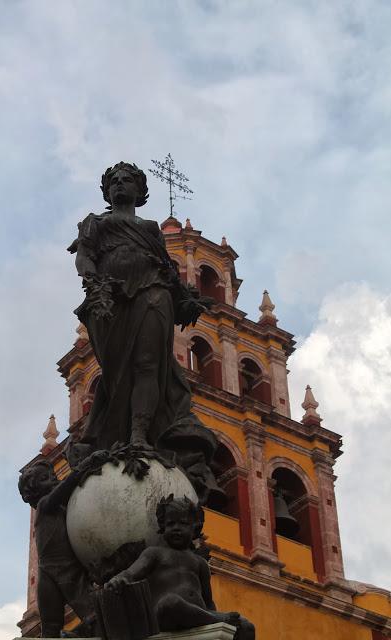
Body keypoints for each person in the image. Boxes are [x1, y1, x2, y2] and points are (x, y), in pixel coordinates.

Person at [68, 162, 216, 464]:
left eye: (127, 180)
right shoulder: (94, 222)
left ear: (140, 191)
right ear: (107, 192)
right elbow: (84, 256)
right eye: (114, 182)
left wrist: (187, 300)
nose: (120, 184)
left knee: (149, 364)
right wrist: (94, 284)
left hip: (153, 292)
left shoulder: (150, 230)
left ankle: (139, 435)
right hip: (109, 298)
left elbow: (166, 270)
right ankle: (112, 434)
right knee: (115, 371)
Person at [106, 495, 255, 639]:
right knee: (170, 603)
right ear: (163, 527)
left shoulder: (200, 563)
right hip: (166, 617)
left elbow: (208, 601)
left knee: (247, 627)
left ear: (194, 528)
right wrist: (119, 579)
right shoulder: (154, 553)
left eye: (183, 523)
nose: (176, 528)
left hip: (200, 617)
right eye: (171, 524)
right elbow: (131, 573)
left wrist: (215, 626)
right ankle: (216, 620)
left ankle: (214, 620)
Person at [18, 459, 95, 637]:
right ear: (34, 491)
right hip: (49, 572)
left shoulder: (59, 508)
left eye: (53, 476)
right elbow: (63, 489)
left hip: (67, 568)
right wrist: (81, 469)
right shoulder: (45, 505)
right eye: (46, 478)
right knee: (51, 623)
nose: (53, 480)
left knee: (89, 611)